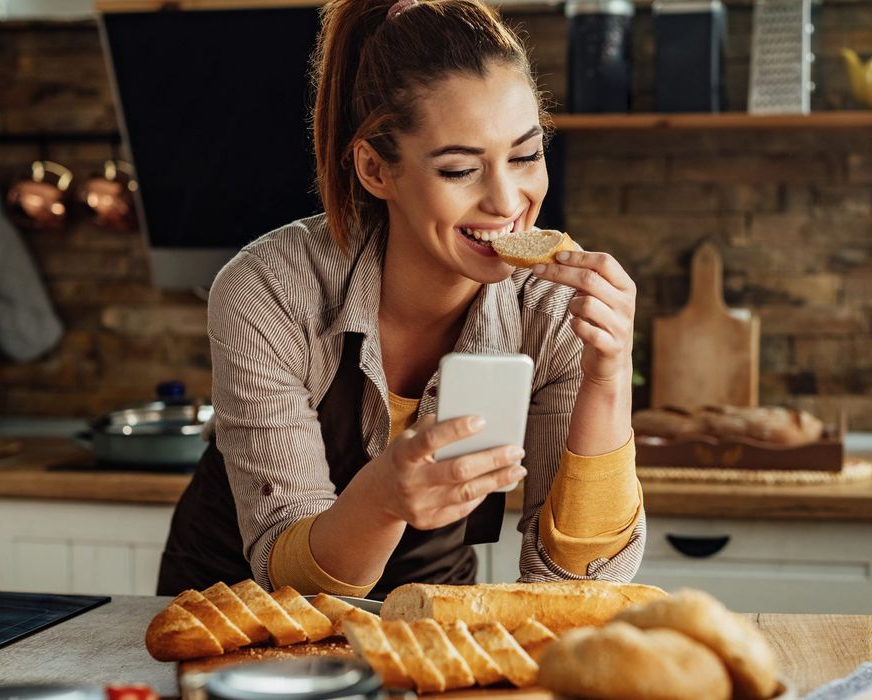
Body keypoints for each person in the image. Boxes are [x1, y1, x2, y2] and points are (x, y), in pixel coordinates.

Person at [156, 0, 645, 598]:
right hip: (233, 612)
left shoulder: (554, 309)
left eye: (526, 155)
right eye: (461, 169)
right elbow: (290, 578)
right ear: (375, 169)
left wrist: (609, 376)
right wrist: (383, 497)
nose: (506, 200)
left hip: (426, 611)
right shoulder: (271, 288)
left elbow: (576, 589)